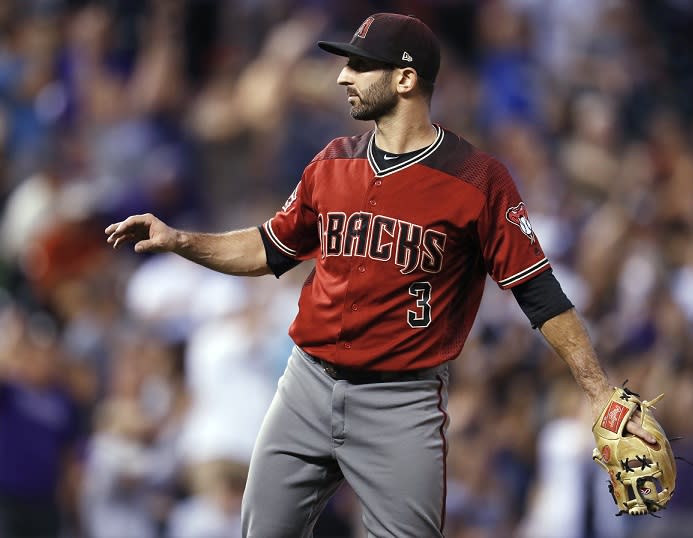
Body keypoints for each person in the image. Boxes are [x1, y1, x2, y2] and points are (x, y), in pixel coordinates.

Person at [106, 12, 655, 537]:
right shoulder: (332, 161)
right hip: (306, 385)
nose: (343, 75)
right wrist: (180, 240)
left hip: (402, 403)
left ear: (406, 78)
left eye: (361, 65)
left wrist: (596, 388)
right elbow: (269, 248)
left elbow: (538, 292)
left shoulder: (477, 180)